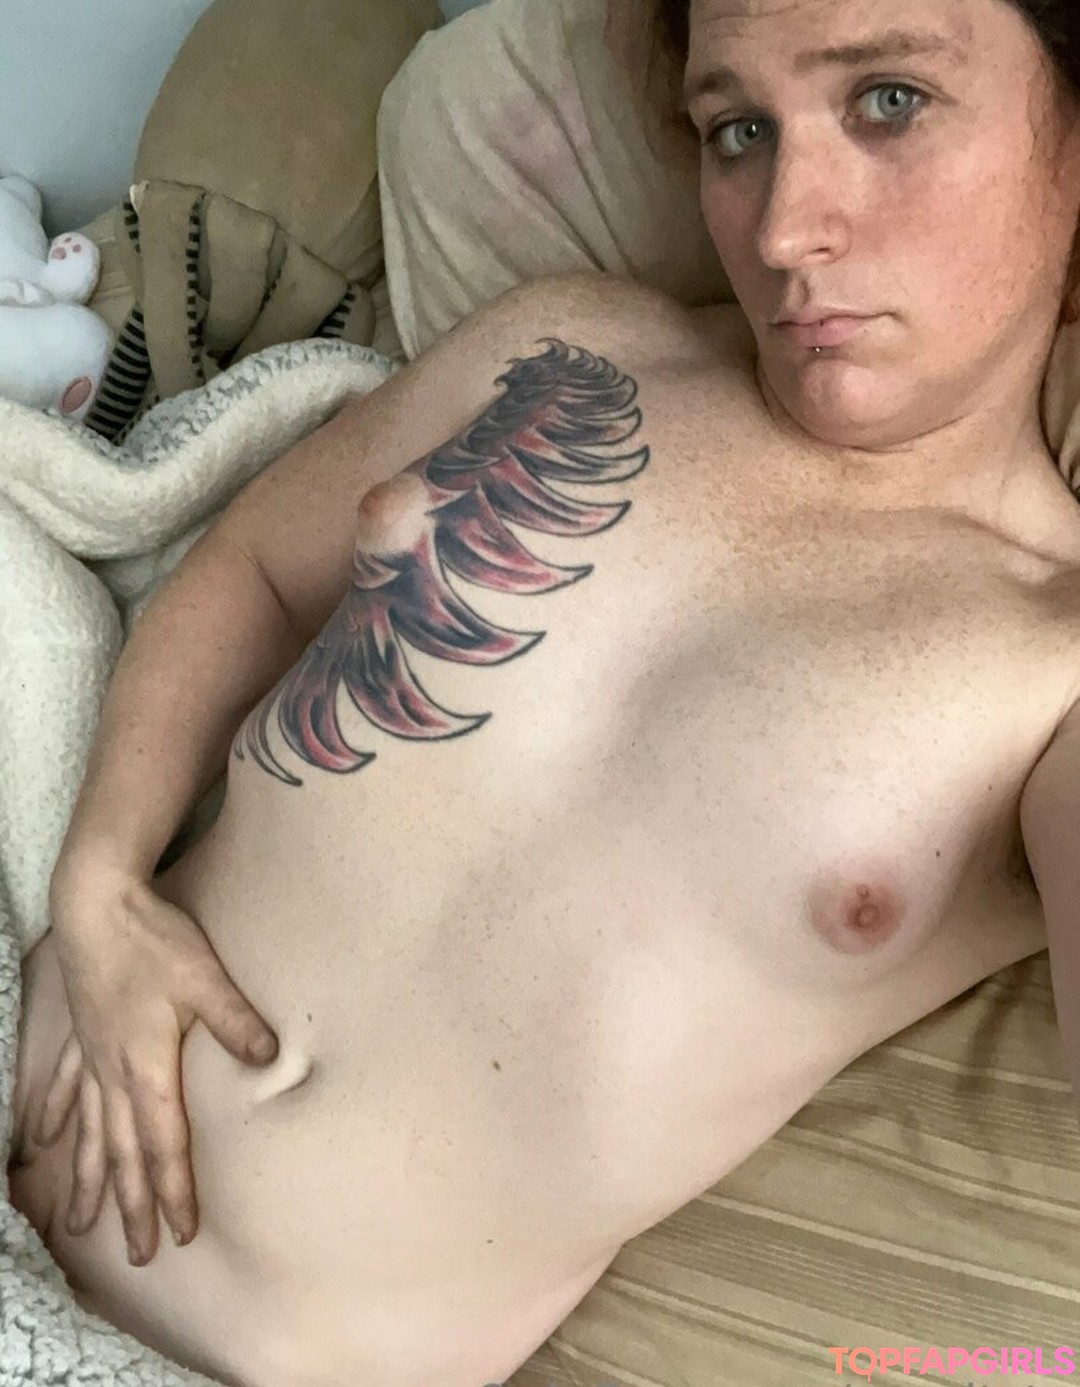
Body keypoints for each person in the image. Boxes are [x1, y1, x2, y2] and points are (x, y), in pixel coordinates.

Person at [8, 0, 1080, 1383]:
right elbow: (255, 571)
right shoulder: (573, 341)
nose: (782, 230)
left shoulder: (1051, 661)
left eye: (888, 102)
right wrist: (101, 879)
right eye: (737, 131)